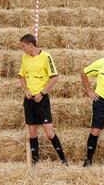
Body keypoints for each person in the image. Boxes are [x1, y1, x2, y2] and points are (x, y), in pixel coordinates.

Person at [18, 34, 67, 165]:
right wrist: (26, 90)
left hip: (41, 100)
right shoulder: (24, 58)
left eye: (23, 46)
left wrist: (42, 93)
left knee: (50, 133)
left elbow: (54, 77)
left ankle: (64, 161)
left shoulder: (46, 56)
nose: (22, 49)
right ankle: (35, 163)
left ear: (30, 45)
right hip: (29, 100)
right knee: (32, 132)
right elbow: (21, 76)